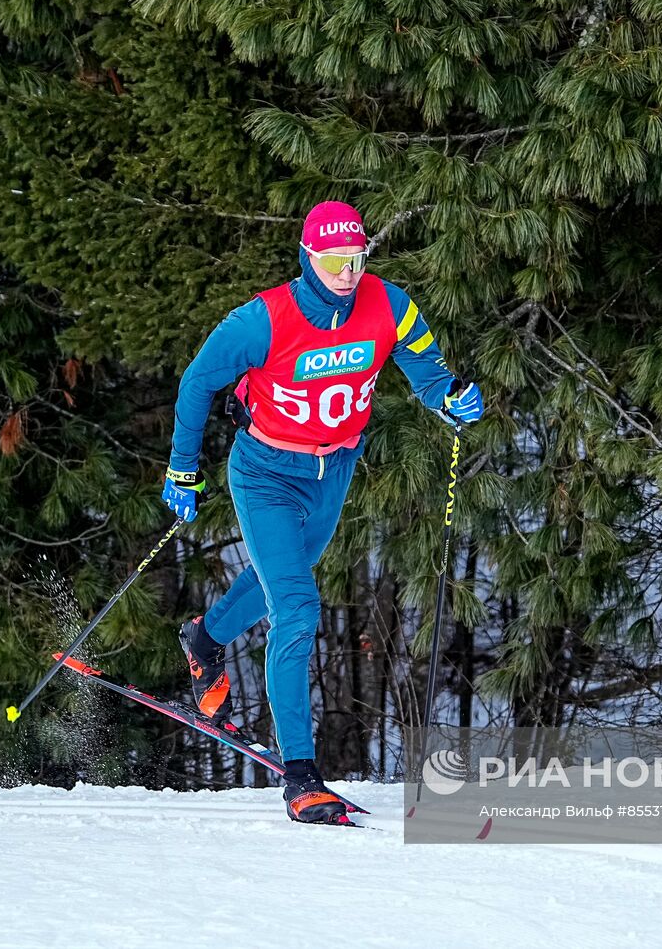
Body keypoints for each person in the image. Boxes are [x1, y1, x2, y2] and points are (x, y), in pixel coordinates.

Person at [161, 200, 484, 824]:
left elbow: (425, 368)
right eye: (334, 260)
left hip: (332, 471)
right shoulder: (263, 320)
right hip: (265, 474)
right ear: (309, 257)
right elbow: (198, 381)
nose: (347, 272)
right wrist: (182, 467)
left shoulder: (389, 305)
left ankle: (204, 639)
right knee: (299, 605)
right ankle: (301, 778)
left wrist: (449, 397)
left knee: (285, 577)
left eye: (356, 259)